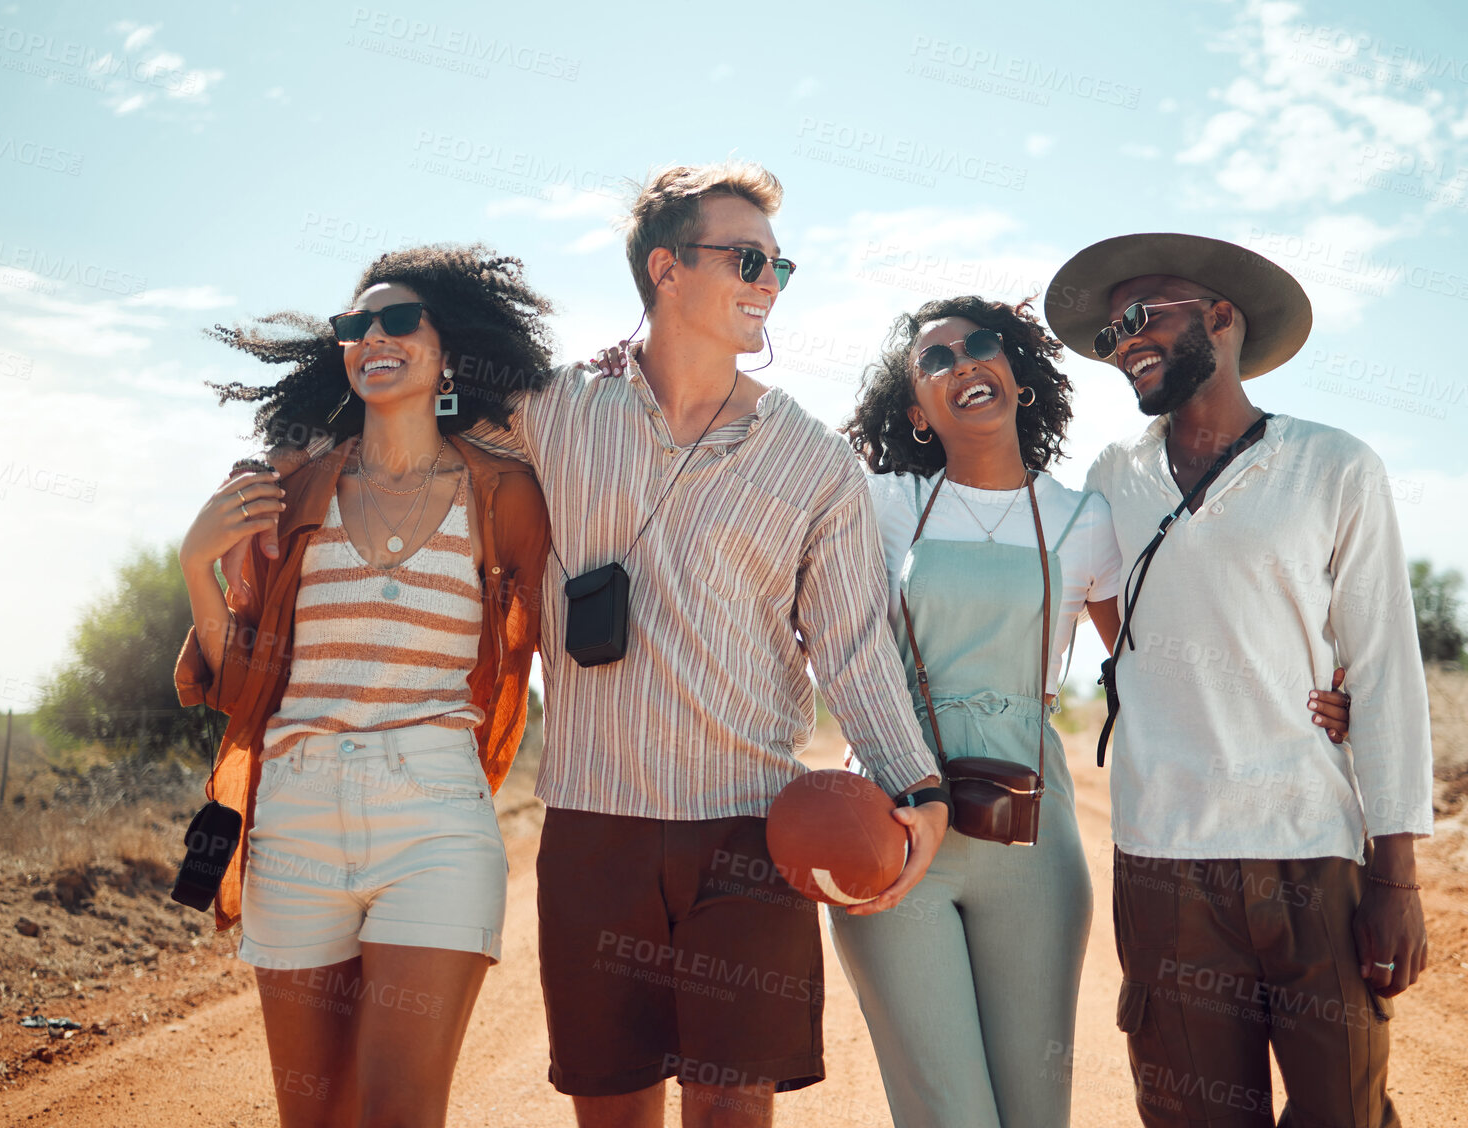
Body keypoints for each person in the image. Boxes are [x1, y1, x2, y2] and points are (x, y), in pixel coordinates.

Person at [459, 161, 949, 1128]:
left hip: (749, 833)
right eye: (748, 258)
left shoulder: (815, 460)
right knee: (615, 1111)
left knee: (732, 1109)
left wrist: (917, 787)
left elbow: (854, 648)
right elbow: (419, 429)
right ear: (666, 270)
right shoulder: (555, 412)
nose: (769, 281)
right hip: (593, 827)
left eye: (780, 265)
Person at [829, 295, 1351, 1128]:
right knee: (947, 1117)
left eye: (980, 345)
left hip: (1033, 836)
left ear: (1018, 375)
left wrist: (1314, 687)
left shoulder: (1088, 520)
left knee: (1037, 1114)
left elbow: (1155, 658)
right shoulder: (880, 505)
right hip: (896, 825)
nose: (963, 362)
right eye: (934, 360)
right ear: (917, 412)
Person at [1045, 233, 1432, 1127]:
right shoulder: (1113, 478)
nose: (1124, 344)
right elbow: (1122, 625)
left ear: (1220, 317)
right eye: (1110, 336)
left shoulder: (1334, 466)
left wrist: (1397, 877)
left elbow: (1383, 667)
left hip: (1313, 848)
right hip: (1163, 861)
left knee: (1345, 1111)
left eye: (1141, 318)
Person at [174, 245, 555, 1127]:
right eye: (354, 326)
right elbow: (238, 683)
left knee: (399, 1113)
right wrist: (197, 563)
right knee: (313, 1116)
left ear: (448, 347)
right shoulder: (291, 490)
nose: (371, 337)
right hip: (295, 817)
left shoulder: (507, 497)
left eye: (397, 321)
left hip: (436, 820)